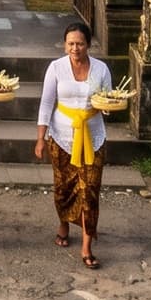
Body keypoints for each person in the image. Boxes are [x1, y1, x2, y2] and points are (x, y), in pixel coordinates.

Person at [36, 22, 112, 269]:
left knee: (90, 190)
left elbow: (108, 99)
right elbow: (47, 103)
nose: (75, 48)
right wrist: (40, 137)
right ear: (64, 44)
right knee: (63, 187)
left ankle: (87, 246)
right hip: (61, 136)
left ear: (88, 44)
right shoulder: (56, 68)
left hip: (93, 136)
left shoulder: (101, 69)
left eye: (79, 43)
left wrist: (107, 105)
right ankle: (64, 223)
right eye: (70, 43)